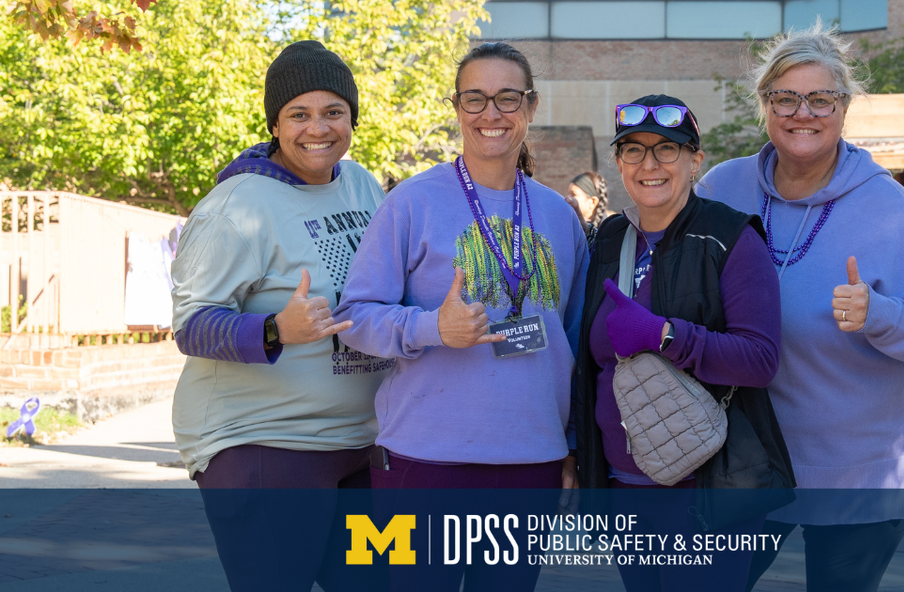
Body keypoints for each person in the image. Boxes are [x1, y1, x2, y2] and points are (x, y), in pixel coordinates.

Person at [695, 23, 904, 592]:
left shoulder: (886, 205)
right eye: (785, 98)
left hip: (863, 464)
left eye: (822, 98)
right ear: (764, 105)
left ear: (844, 107)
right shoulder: (724, 188)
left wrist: (879, 314)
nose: (803, 113)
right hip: (753, 457)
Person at [332, 41, 588, 592]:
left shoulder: (559, 217)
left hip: (531, 463)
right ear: (456, 107)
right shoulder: (410, 203)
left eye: (507, 98)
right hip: (424, 462)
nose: (491, 113)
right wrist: (432, 329)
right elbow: (353, 320)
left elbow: (572, 341)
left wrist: (570, 445)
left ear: (532, 106)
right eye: (475, 98)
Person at [170, 40, 391, 591]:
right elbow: (190, 324)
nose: (318, 128)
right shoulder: (237, 205)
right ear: (275, 122)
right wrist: (274, 329)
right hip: (265, 447)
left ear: (352, 119)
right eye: (299, 114)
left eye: (333, 112)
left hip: (358, 444)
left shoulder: (361, 182)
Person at [574, 94, 795, 591]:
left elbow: (760, 360)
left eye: (667, 149)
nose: (649, 164)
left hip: (706, 494)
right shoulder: (609, 239)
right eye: (633, 150)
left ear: (696, 160)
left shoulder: (729, 238)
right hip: (624, 490)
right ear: (618, 163)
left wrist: (665, 335)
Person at [563, 170, 611, 242]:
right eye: (568, 193)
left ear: (592, 202)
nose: (567, 199)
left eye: (573, 194)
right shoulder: (569, 227)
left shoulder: (609, 234)